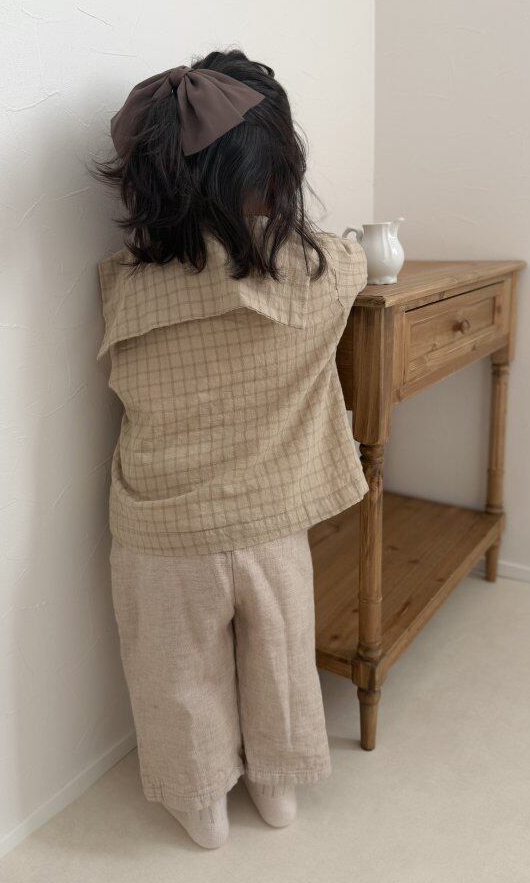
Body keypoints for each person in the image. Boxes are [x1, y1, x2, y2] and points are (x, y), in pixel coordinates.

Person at [95, 49, 368, 848]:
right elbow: (353, 257)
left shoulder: (122, 282)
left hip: (158, 527)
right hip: (268, 519)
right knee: (280, 657)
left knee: (175, 674)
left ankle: (200, 799)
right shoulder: (313, 271)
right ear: (273, 172)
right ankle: (278, 781)